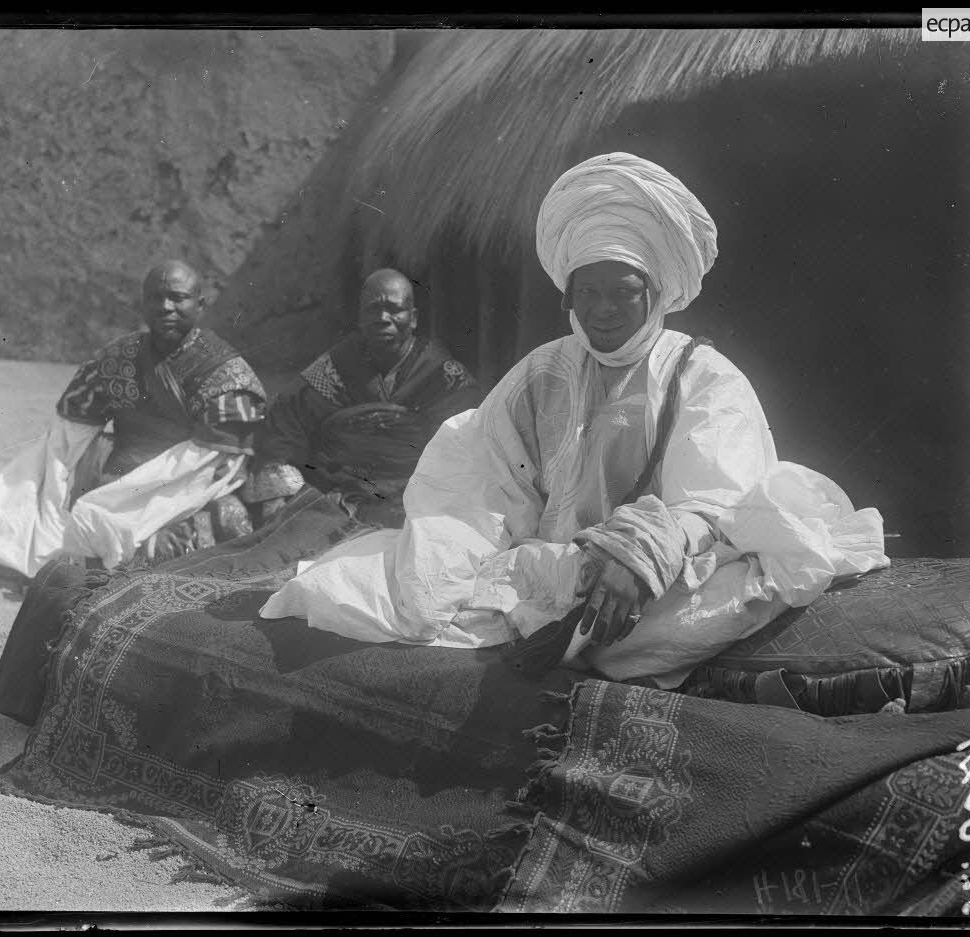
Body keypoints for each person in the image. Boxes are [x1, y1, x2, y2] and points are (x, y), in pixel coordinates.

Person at [260, 153, 888, 688]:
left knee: (698, 610)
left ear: (657, 293)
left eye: (623, 292)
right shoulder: (544, 371)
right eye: (588, 292)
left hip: (669, 568)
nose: (604, 311)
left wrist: (640, 554)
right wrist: (459, 555)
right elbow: (484, 470)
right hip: (555, 558)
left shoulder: (703, 376)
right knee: (380, 590)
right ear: (567, 295)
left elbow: (717, 502)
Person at [0, 259, 266, 577]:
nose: (166, 307)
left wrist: (120, 498)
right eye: (156, 297)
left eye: (178, 298)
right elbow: (71, 431)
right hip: (111, 472)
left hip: (180, 490)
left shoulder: (224, 372)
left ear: (200, 305)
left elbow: (212, 462)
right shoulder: (118, 355)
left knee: (216, 524)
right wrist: (57, 489)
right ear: (143, 305)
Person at [240, 268, 484, 527]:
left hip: (417, 499)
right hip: (341, 499)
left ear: (412, 318)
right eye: (372, 309)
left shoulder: (443, 376)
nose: (382, 318)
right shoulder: (333, 368)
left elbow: (464, 449)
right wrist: (287, 491)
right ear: (359, 318)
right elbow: (285, 427)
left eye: (394, 309)